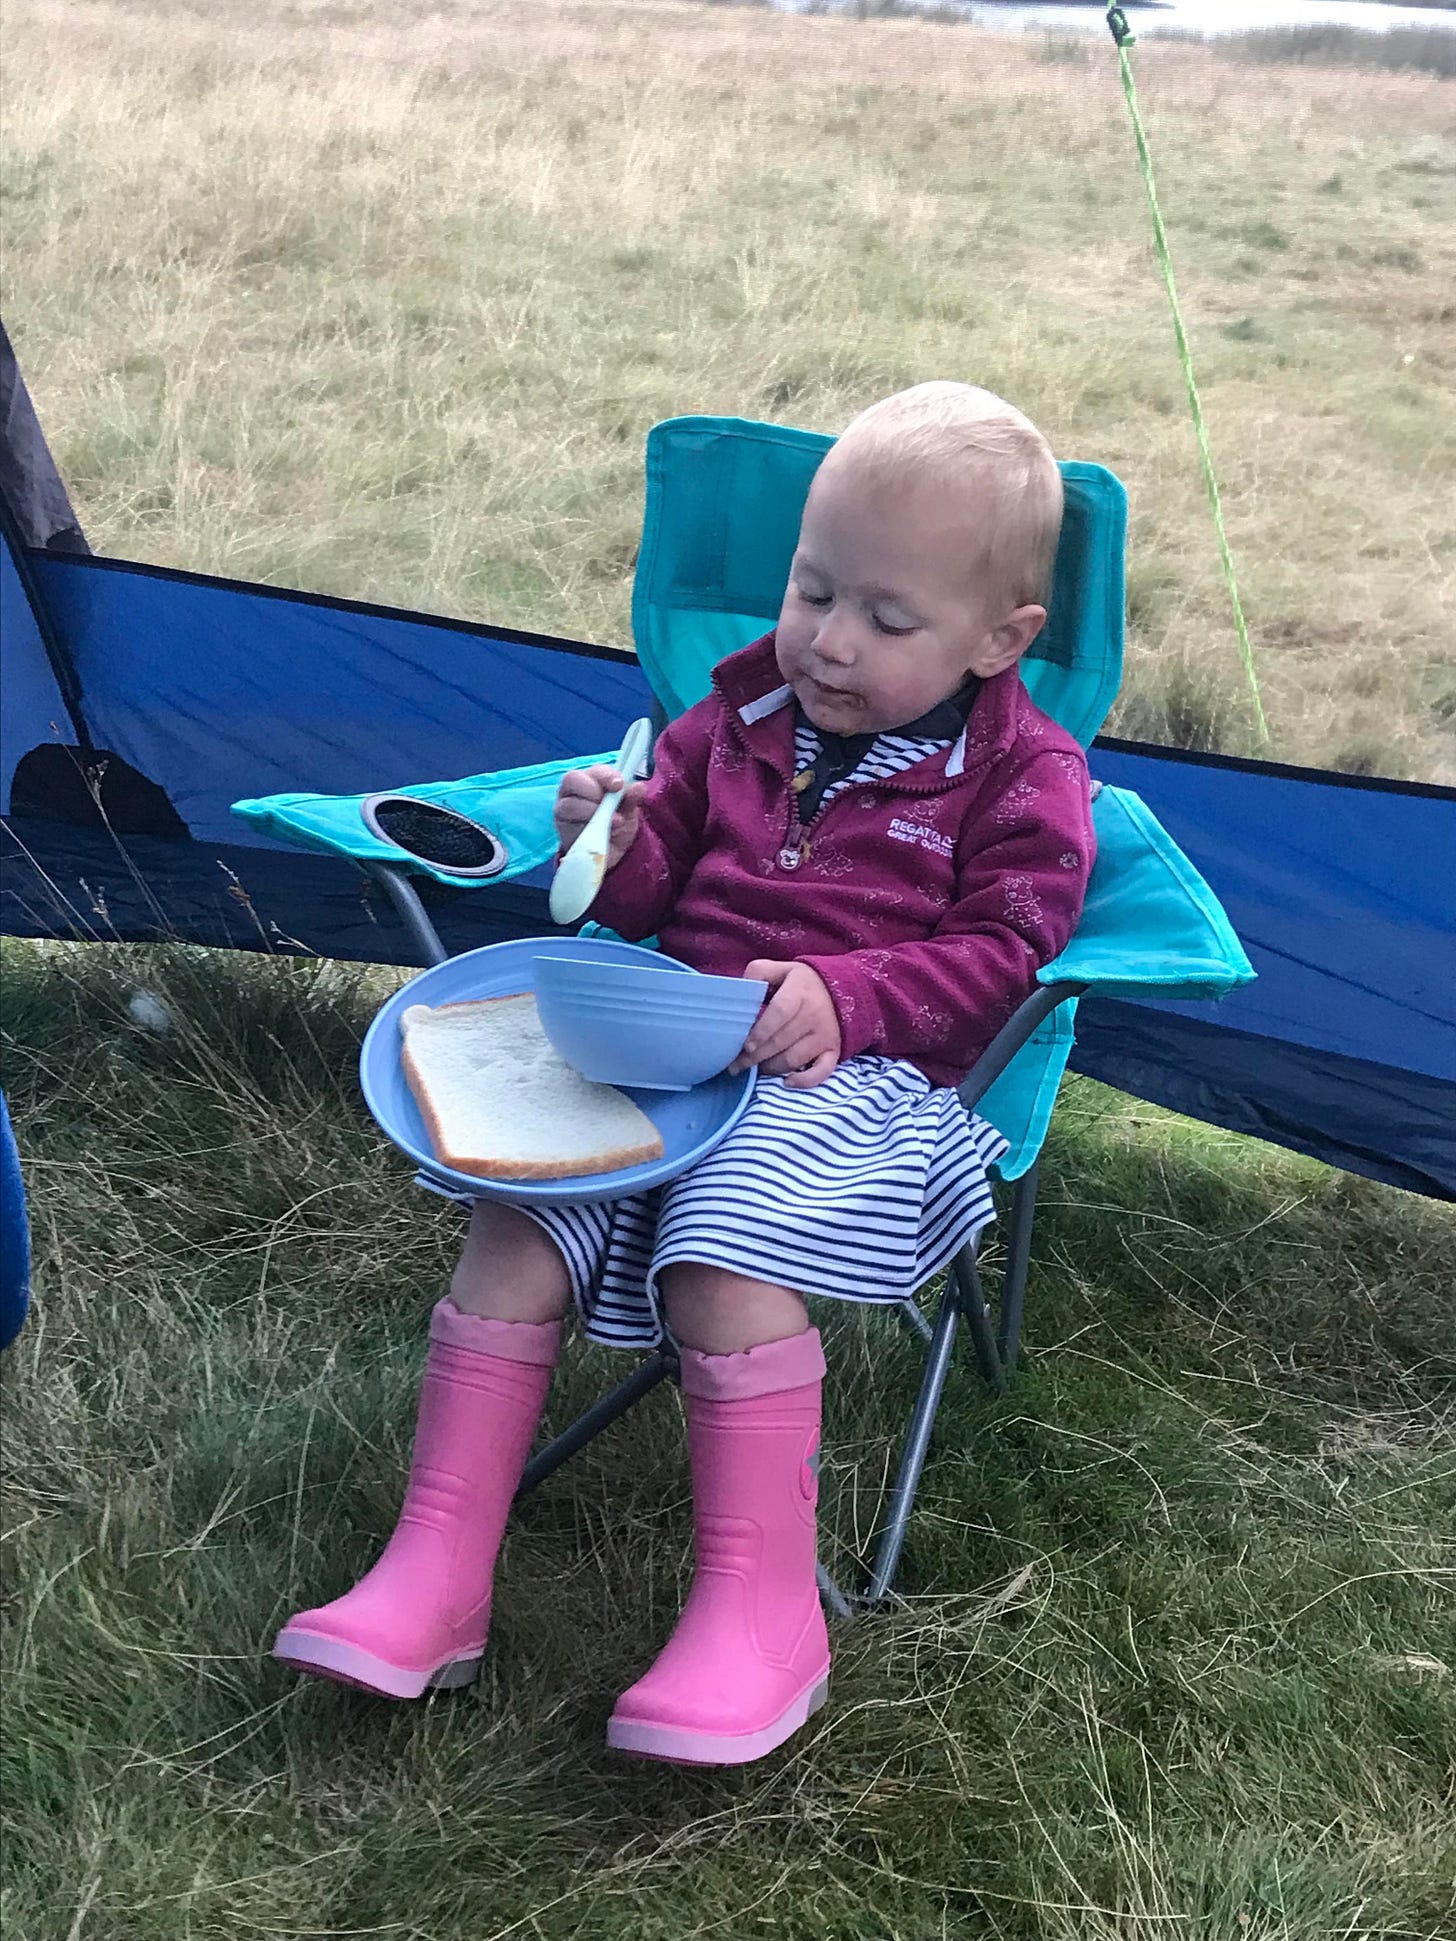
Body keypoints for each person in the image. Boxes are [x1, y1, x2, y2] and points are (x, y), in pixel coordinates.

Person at [274, 382, 1096, 1766]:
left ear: (1000, 639)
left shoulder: (1021, 777)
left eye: (887, 621)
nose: (831, 642)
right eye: (812, 589)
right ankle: (436, 1568)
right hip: (669, 1047)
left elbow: (1010, 953)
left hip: (863, 1078)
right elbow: (644, 908)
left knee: (719, 1253)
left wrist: (852, 990)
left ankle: (762, 1612)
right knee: (521, 1211)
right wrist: (616, 843)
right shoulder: (734, 723)